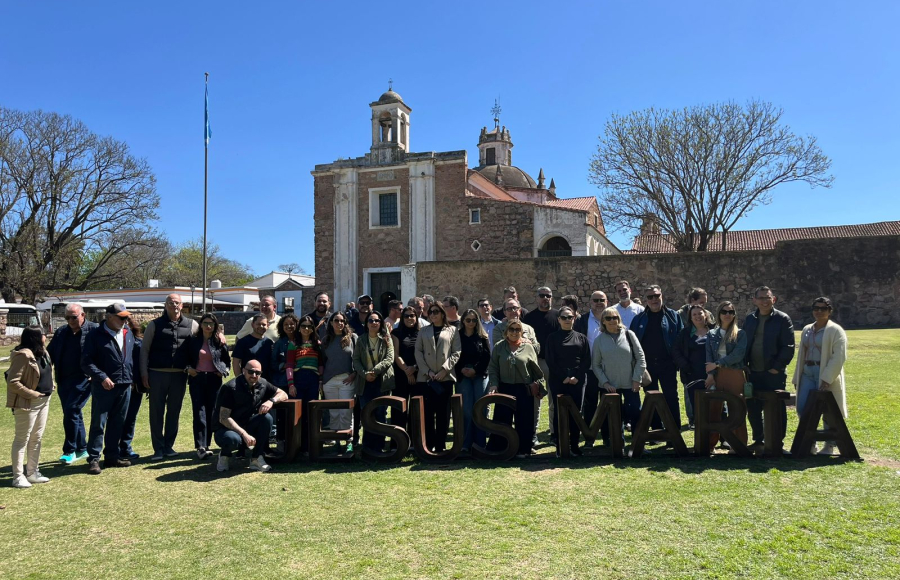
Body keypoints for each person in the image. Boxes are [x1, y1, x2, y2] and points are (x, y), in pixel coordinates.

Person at [141, 293, 199, 460]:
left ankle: (169, 447)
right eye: (170, 302)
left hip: (179, 376)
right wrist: (144, 373)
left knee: (174, 412)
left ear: (182, 305)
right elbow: (144, 350)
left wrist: (219, 335)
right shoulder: (155, 325)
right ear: (165, 305)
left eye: (177, 302)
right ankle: (158, 448)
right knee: (156, 413)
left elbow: (204, 337)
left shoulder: (191, 324)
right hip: (157, 374)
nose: (174, 305)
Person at [81, 303, 136, 475]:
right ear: (109, 317)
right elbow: (86, 361)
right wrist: (102, 377)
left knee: (118, 422)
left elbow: (131, 356)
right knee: (99, 422)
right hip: (103, 386)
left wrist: (131, 377)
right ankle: (94, 458)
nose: (124, 320)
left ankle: (112, 456)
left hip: (124, 384)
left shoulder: (128, 333)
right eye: (121, 317)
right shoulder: (95, 335)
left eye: (126, 317)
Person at [792, 297, 848, 456]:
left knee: (829, 411)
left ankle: (829, 445)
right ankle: (810, 443)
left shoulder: (836, 330)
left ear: (830, 311)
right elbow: (801, 354)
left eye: (823, 308)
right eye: (816, 308)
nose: (819, 311)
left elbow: (839, 356)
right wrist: (797, 377)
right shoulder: (807, 329)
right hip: (807, 372)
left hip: (824, 372)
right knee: (803, 408)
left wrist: (827, 378)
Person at [743, 286, 795, 452]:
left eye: (768, 298)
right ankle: (759, 441)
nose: (764, 301)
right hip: (753, 373)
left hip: (773, 374)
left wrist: (776, 368)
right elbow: (743, 343)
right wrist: (745, 366)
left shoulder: (782, 319)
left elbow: (788, 346)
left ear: (774, 299)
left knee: (777, 410)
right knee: (753, 409)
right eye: (761, 298)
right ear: (754, 300)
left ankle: (777, 444)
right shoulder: (750, 319)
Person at [213, 360, 288, 473]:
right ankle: (224, 455)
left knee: (266, 418)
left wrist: (271, 401)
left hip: (247, 424)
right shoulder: (231, 387)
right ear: (243, 371)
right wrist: (244, 434)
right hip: (226, 429)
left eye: (257, 373)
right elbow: (224, 418)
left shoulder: (263, 383)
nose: (254, 375)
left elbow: (283, 394)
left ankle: (256, 458)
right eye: (251, 371)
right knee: (232, 439)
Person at [48, 302, 98, 465]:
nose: (70, 320)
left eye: (73, 317)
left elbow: (105, 352)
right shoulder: (62, 332)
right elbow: (50, 355)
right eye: (67, 317)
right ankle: (82, 448)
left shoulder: (94, 330)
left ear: (83, 315)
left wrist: (96, 374)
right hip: (64, 379)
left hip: (85, 379)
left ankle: (69, 450)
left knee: (72, 410)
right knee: (72, 414)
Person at [486, 321, 545, 458]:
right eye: (511, 329)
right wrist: (494, 384)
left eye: (518, 329)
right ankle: (501, 448)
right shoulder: (499, 347)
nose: (514, 332)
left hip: (523, 388)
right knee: (502, 419)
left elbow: (535, 370)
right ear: (506, 331)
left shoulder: (528, 347)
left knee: (524, 420)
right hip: (505, 387)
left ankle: (523, 449)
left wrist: (539, 387)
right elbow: (493, 368)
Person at [591, 307, 645, 453]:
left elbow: (641, 358)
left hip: (630, 384)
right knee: (614, 418)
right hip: (610, 386)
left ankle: (637, 445)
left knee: (635, 414)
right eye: (608, 318)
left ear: (619, 319)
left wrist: (636, 379)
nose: (612, 320)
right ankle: (618, 445)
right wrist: (605, 383)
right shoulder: (599, 340)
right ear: (603, 321)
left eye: (614, 317)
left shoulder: (629, 334)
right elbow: (595, 365)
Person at [630, 285, 684, 431]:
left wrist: (677, 361)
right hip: (647, 367)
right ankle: (656, 430)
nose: (654, 299)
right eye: (650, 297)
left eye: (656, 296)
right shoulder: (638, 319)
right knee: (651, 398)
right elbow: (632, 343)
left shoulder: (673, 316)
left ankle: (674, 430)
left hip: (668, 364)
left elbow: (681, 339)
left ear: (662, 296)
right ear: (645, 299)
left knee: (671, 397)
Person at [7, 326, 54, 488]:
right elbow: (13, 381)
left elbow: (47, 371)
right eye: (43, 334)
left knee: (36, 438)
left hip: (44, 401)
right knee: (22, 439)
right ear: (35, 337)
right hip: (28, 402)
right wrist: (32, 394)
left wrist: (51, 385)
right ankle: (18, 476)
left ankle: (32, 472)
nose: (46, 336)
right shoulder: (23, 355)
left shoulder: (43, 352)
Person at [414, 303, 461, 453]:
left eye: (436, 312)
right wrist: (427, 371)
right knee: (427, 413)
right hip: (426, 378)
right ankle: (429, 444)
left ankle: (441, 444)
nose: (433, 315)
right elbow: (418, 352)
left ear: (442, 313)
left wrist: (444, 370)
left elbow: (456, 352)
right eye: (430, 312)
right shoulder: (423, 331)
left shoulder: (452, 330)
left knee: (443, 413)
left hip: (444, 378)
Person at [545, 307, 591, 456]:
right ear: (558, 320)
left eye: (569, 317)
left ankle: (575, 445)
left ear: (574, 319)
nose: (567, 320)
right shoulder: (552, 338)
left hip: (577, 380)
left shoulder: (581, 337)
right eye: (563, 317)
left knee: (576, 413)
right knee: (560, 414)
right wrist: (563, 377)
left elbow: (586, 360)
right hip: (559, 380)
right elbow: (551, 361)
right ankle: (561, 446)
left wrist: (576, 376)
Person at [704, 301, 749, 450]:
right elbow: (708, 356)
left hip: (734, 373)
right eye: (724, 312)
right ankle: (710, 444)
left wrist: (717, 364)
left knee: (737, 409)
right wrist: (711, 374)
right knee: (714, 410)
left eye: (731, 312)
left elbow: (738, 355)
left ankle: (739, 444)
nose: (727, 315)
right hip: (716, 375)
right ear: (719, 314)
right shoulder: (711, 334)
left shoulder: (740, 334)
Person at [186, 314, 231, 460]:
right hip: (197, 378)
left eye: (211, 323)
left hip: (214, 379)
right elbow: (182, 358)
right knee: (199, 412)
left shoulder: (219, 341)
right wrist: (188, 369)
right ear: (201, 325)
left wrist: (223, 371)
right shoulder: (193, 341)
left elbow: (226, 360)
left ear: (215, 325)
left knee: (213, 412)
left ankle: (208, 445)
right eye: (205, 323)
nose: (208, 326)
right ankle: (200, 446)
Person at [352, 310, 395, 453]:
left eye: (377, 320)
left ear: (381, 323)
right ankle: (368, 446)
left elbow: (390, 358)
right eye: (371, 320)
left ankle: (379, 445)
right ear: (366, 323)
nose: (374, 323)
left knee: (380, 413)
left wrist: (375, 371)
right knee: (367, 414)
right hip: (365, 382)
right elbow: (356, 360)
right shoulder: (361, 339)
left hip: (381, 381)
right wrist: (365, 374)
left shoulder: (386, 339)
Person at [286, 315, 325, 455]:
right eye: (303, 326)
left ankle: (310, 445)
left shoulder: (317, 344)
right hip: (299, 379)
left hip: (313, 379)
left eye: (309, 326)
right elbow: (289, 364)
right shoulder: (293, 344)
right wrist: (291, 384)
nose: (306, 329)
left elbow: (321, 364)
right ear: (299, 327)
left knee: (311, 412)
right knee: (298, 413)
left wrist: (320, 381)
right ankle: (297, 446)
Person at [672, 305, 715, 430]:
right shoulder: (685, 333)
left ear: (705, 314)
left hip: (713, 376)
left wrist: (714, 372)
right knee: (698, 410)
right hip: (692, 376)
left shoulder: (714, 331)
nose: (697, 316)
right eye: (694, 314)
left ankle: (722, 439)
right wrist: (685, 366)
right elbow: (675, 351)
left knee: (717, 407)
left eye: (699, 313)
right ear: (690, 318)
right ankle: (702, 442)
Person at [455, 308, 491, 453]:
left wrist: (475, 370)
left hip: (479, 375)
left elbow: (487, 357)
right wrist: (462, 370)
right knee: (467, 410)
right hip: (462, 375)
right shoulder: (456, 337)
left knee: (480, 408)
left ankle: (480, 443)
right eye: (468, 320)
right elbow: (453, 356)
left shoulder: (482, 337)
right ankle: (466, 443)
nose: (471, 323)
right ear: (463, 321)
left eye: (474, 320)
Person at [574, 290, 607, 444]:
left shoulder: (612, 318)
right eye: (595, 300)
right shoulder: (582, 320)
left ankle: (608, 437)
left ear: (606, 301)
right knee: (590, 404)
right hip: (590, 369)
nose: (599, 303)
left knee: (609, 404)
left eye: (602, 299)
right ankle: (589, 437)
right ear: (590, 302)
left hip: (609, 370)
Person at [321, 311, 358, 452]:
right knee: (334, 413)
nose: (339, 323)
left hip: (347, 380)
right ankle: (336, 441)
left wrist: (354, 374)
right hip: (329, 381)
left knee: (346, 412)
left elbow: (357, 358)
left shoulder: (352, 338)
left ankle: (347, 440)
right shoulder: (326, 340)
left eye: (342, 320)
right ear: (331, 322)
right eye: (336, 320)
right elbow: (323, 361)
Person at [391, 306, 421, 441]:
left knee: (416, 409)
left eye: (412, 315)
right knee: (399, 409)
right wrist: (407, 372)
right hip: (401, 375)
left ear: (416, 317)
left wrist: (414, 368)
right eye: (407, 316)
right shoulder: (396, 333)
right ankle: (398, 440)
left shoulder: (421, 333)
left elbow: (424, 354)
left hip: (419, 374)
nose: (410, 318)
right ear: (402, 318)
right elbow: (396, 355)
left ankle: (415, 440)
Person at [118, 317, 145, 461]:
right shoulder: (113, 342)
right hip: (117, 386)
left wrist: (138, 382)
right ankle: (113, 448)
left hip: (135, 388)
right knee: (117, 418)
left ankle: (126, 447)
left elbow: (141, 365)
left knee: (130, 418)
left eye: (126, 323)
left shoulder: (138, 343)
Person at [231, 315, 274, 379]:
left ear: (268, 326)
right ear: (252, 325)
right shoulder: (243, 342)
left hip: (266, 382)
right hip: (248, 380)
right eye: (258, 324)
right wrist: (240, 380)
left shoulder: (269, 343)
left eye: (264, 324)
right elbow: (236, 363)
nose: (261, 326)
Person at [270, 314, 300, 390]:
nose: (289, 326)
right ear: (282, 327)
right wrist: (284, 365)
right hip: (283, 381)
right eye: (286, 324)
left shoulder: (301, 341)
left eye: (292, 324)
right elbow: (273, 363)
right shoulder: (279, 344)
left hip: (300, 379)